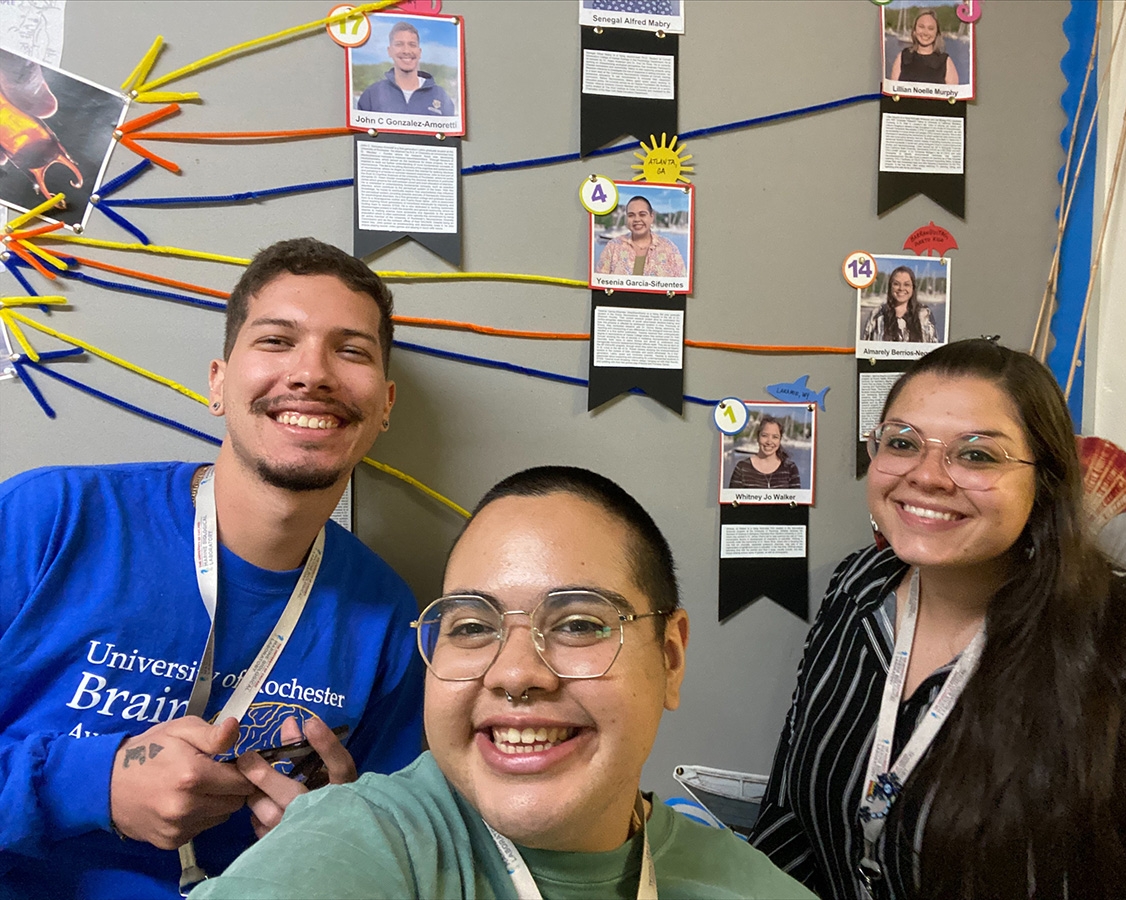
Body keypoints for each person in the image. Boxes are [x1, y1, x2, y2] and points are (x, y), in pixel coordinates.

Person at [0, 238, 425, 899]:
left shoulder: (393, 624)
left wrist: (339, 837)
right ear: (219, 384)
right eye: (278, 341)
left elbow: (402, 849)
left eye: (351, 350)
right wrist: (91, 784)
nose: (312, 373)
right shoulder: (48, 518)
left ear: (386, 405)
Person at [192, 467, 818, 899]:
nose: (515, 673)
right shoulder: (363, 842)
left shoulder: (751, 886)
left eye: (576, 623)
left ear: (671, 658)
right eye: (470, 626)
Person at [750, 339, 1126, 900]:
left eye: (977, 454)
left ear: (1046, 481)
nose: (928, 476)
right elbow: (789, 806)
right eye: (902, 442)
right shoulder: (857, 586)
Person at [356, 21, 456, 117]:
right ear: (389, 51)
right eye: (399, 44)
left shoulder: (441, 96)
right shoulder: (372, 94)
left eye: (412, 45)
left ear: (419, 52)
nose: (406, 51)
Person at [596, 195, 687, 278]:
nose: (637, 219)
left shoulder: (669, 248)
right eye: (631, 215)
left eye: (642, 214)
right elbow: (599, 283)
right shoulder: (613, 246)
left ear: (651, 217)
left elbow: (681, 284)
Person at [861, 265, 939, 344]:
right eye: (896, 284)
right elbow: (865, 345)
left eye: (906, 284)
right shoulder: (877, 314)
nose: (901, 288)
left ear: (913, 288)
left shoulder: (924, 314)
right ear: (890, 287)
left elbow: (934, 348)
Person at [728, 415, 803, 490]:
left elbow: (795, 500)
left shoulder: (790, 469)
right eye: (764, 435)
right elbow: (732, 500)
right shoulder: (742, 468)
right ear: (758, 438)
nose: (769, 442)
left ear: (780, 440)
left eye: (775, 437)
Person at [889, 8, 960, 85]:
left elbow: (953, 95)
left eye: (931, 28)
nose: (925, 33)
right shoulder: (903, 57)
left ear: (937, 33)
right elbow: (893, 92)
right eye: (921, 27)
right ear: (914, 31)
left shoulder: (945, 61)